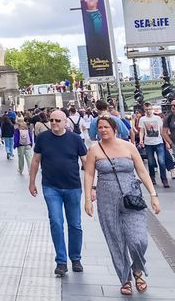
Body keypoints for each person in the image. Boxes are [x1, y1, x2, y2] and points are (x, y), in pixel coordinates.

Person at [84, 116, 160, 295]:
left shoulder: (128, 146)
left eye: (106, 127)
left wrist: (153, 195)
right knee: (116, 240)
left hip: (132, 197)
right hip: (107, 200)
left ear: (115, 129)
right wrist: (88, 198)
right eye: (100, 127)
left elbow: (141, 171)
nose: (103, 130)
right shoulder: (94, 150)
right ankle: (125, 279)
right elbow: (88, 175)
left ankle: (138, 270)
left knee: (138, 240)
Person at [29, 110, 87, 277]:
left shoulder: (75, 139)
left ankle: (75, 258)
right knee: (56, 221)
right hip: (51, 187)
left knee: (75, 224)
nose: (54, 123)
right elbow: (35, 161)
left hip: (73, 187)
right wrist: (31, 182)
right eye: (52, 120)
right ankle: (61, 261)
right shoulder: (43, 138)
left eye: (58, 120)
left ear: (65, 122)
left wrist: (92, 185)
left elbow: (86, 161)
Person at [138, 102, 169, 187]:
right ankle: (152, 177)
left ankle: (164, 179)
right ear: (144, 110)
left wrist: (166, 142)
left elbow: (162, 131)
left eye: (149, 109)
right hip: (148, 143)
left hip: (159, 142)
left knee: (161, 161)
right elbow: (142, 130)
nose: (148, 111)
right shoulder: (142, 119)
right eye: (146, 109)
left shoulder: (158, 118)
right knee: (151, 162)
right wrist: (141, 139)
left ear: (152, 109)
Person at [162, 101, 175, 179]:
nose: (173, 107)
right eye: (172, 105)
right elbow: (164, 132)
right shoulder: (169, 118)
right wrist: (171, 143)